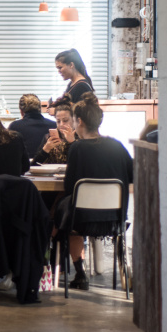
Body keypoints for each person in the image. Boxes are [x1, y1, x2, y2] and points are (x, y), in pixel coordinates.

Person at [54, 92, 133, 291]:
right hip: (114, 219)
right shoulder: (117, 146)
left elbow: (70, 186)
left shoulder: (77, 148)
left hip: (81, 219)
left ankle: (79, 272)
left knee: (63, 210)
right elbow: (132, 175)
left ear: (79, 121)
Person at [8, 94, 57, 159]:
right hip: (48, 163)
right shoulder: (54, 125)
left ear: (21, 111)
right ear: (40, 109)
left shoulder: (14, 126)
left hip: (24, 164)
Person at [33, 98, 77, 165]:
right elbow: (34, 164)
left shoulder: (80, 137)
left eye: (65, 120)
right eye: (58, 121)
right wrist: (45, 150)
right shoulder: (49, 138)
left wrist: (72, 143)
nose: (61, 124)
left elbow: (82, 162)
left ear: (73, 120)